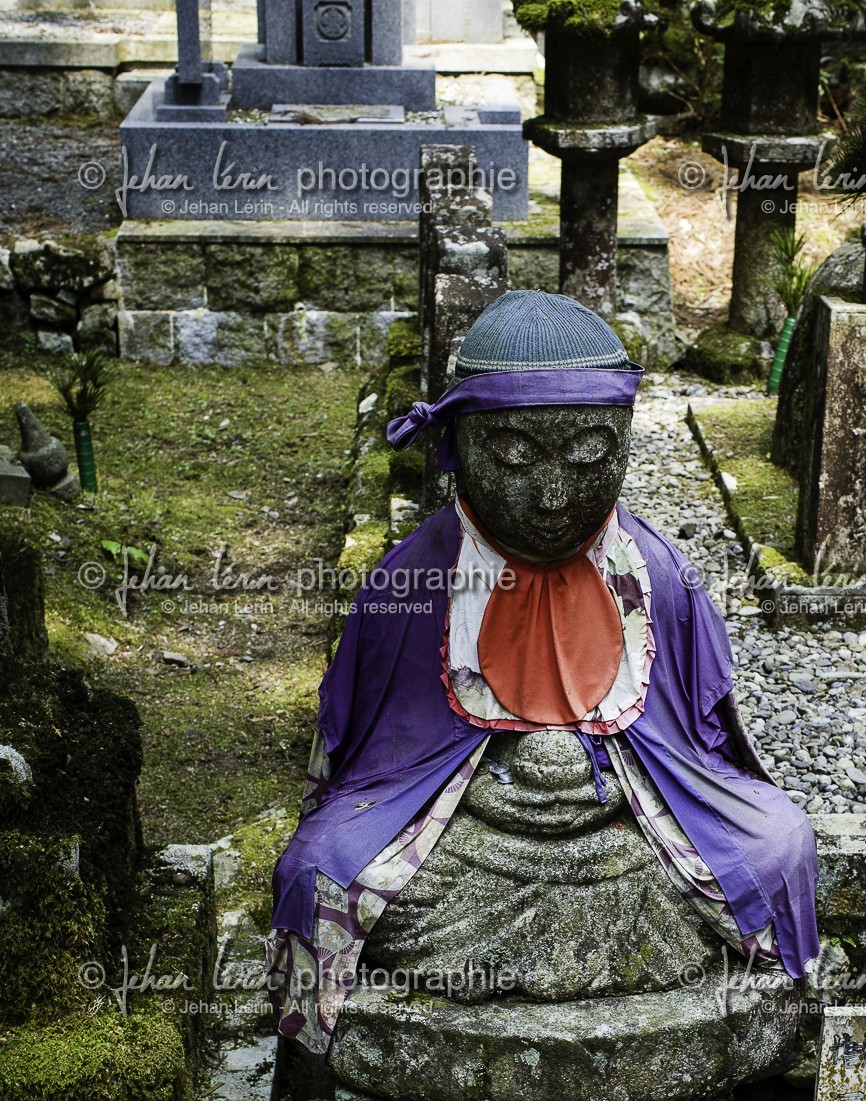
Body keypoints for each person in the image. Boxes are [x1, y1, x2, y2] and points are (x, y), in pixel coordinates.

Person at [268, 290, 819, 1059]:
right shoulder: (415, 582)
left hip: (620, 818)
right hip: (470, 836)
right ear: (459, 445)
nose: (555, 496)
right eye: (517, 459)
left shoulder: (655, 574)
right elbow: (369, 762)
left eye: (589, 456)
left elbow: (698, 746)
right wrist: (500, 788)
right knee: (320, 870)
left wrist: (587, 783)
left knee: (778, 844)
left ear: (625, 444)